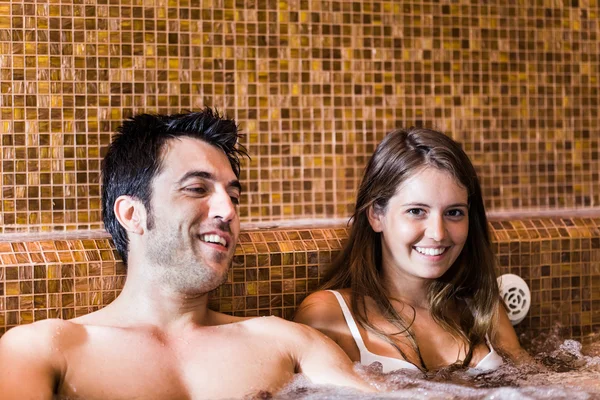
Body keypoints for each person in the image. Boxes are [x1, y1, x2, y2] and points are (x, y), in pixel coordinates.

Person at [0, 109, 373, 399]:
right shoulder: (45, 351)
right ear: (132, 214)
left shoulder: (287, 344)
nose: (227, 211)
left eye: (234, 197)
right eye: (197, 189)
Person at [294, 128, 530, 374]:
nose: (438, 233)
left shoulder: (482, 310)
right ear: (376, 215)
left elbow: (536, 386)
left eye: (454, 212)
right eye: (417, 211)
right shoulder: (330, 314)